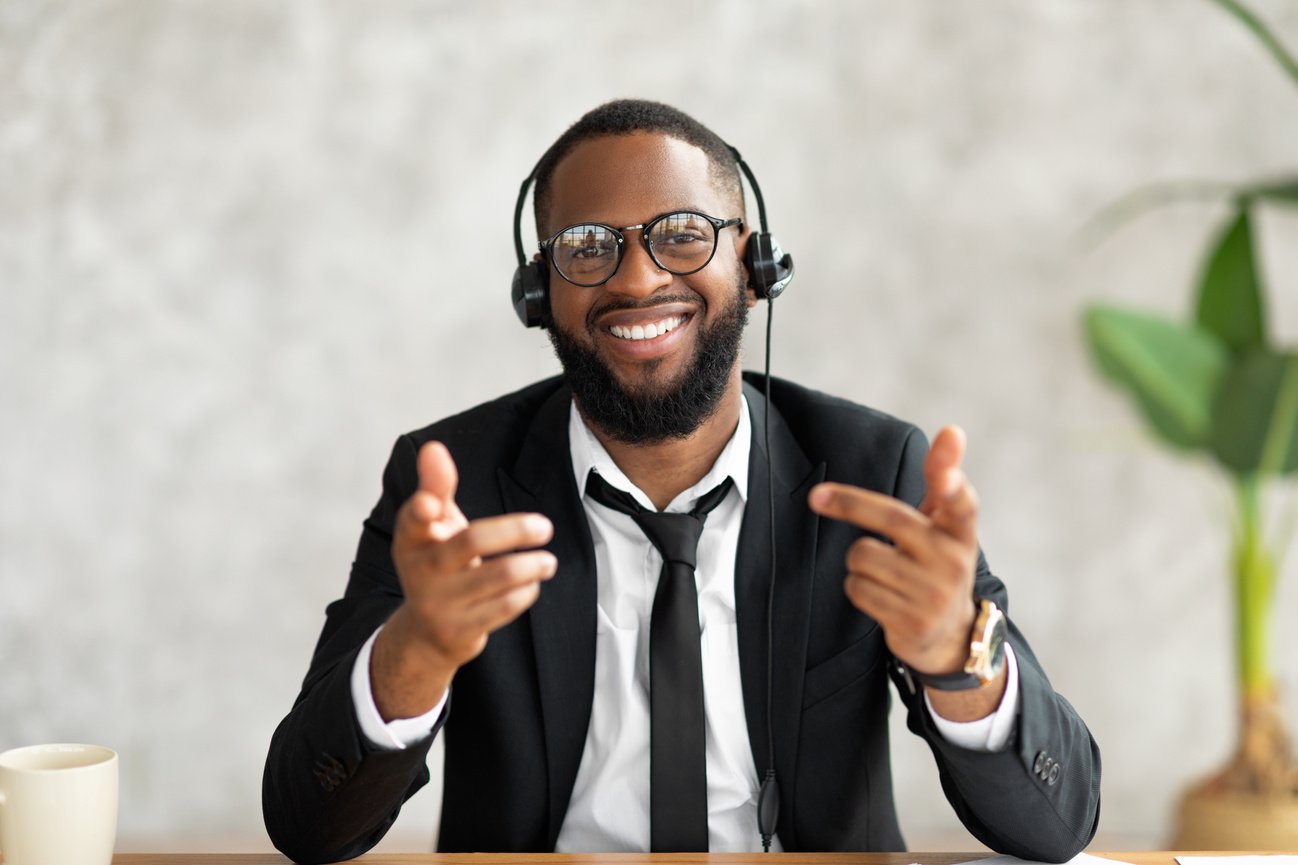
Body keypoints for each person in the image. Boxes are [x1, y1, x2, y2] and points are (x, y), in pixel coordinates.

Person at [263, 99, 1101, 864]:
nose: (635, 279)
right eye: (588, 247)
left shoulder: (872, 472)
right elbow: (308, 825)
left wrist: (961, 660)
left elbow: (1056, 824)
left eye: (683, 234)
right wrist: (417, 652)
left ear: (753, 263)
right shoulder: (454, 484)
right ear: (537, 291)